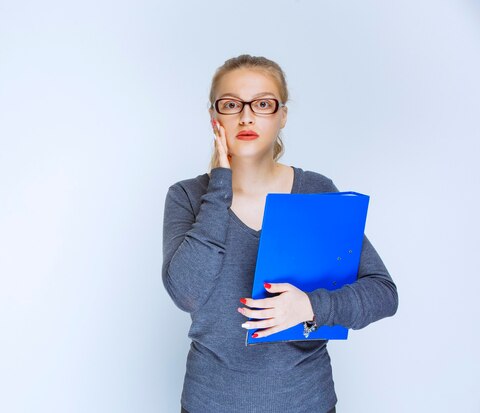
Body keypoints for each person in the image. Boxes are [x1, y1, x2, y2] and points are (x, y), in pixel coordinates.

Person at [161, 54, 399, 413]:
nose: (246, 116)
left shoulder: (316, 192)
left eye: (263, 103)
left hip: (305, 402)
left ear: (282, 115)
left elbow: (383, 293)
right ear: (214, 118)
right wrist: (220, 186)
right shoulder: (187, 197)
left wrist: (310, 306)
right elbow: (186, 294)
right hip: (210, 402)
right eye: (231, 104)